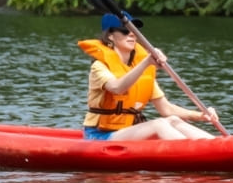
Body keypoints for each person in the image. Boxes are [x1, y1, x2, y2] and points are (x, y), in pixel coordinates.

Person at [78, 14, 217, 141]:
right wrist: (147, 62)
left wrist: (200, 116)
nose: (132, 34)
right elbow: (117, 87)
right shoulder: (99, 67)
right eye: (125, 30)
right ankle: (191, 152)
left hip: (127, 131)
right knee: (159, 124)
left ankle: (214, 144)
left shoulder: (142, 69)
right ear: (110, 36)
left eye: (135, 30)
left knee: (173, 119)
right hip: (99, 135)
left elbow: (166, 109)